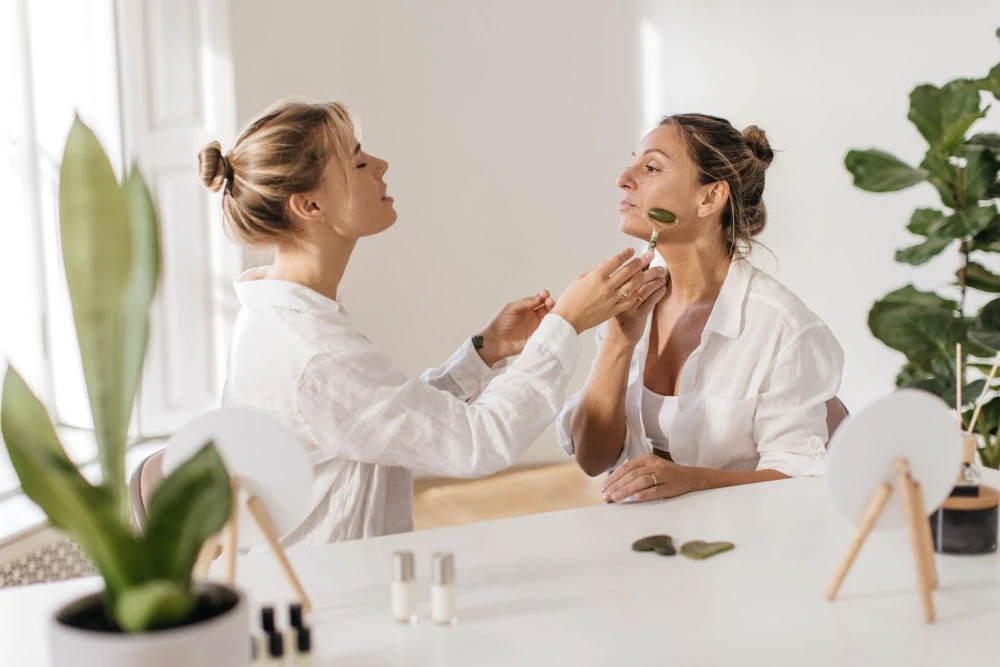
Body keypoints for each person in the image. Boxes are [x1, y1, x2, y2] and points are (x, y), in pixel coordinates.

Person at [195, 99, 667, 545]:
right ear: (310, 206)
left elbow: (384, 419)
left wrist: (484, 351)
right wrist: (565, 323)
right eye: (358, 163)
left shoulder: (285, 318)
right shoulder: (313, 351)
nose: (381, 165)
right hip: (329, 589)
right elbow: (477, 442)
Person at [557, 114, 845, 504]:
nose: (623, 179)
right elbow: (593, 460)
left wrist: (693, 480)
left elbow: (798, 479)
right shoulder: (630, 304)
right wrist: (618, 341)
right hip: (639, 529)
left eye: (651, 167)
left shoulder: (784, 327)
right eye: (631, 163)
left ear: (710, 198)